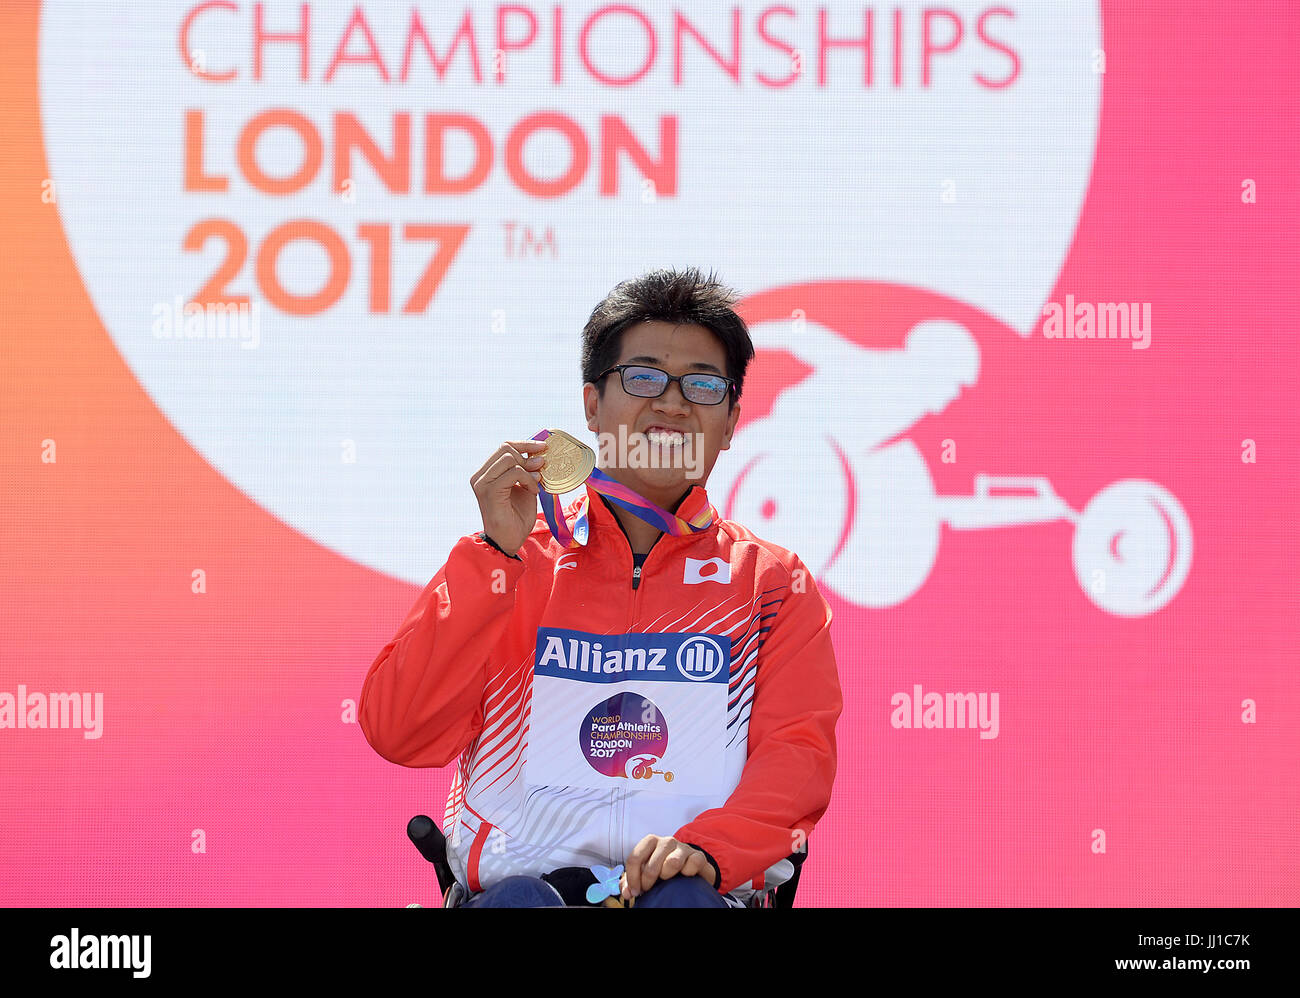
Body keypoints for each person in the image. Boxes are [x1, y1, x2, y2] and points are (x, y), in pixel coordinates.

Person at [359, 267, 843, 907]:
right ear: (592, 405)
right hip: (519, 894)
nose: (672, 403)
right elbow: (399, 731)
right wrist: (493, 557)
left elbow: (796, 758)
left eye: (702, 385)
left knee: (683, 901)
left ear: (729, 423)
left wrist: (710, 848)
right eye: (644, 377)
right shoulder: (514, 562)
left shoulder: (771, 585)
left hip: (692, 892)